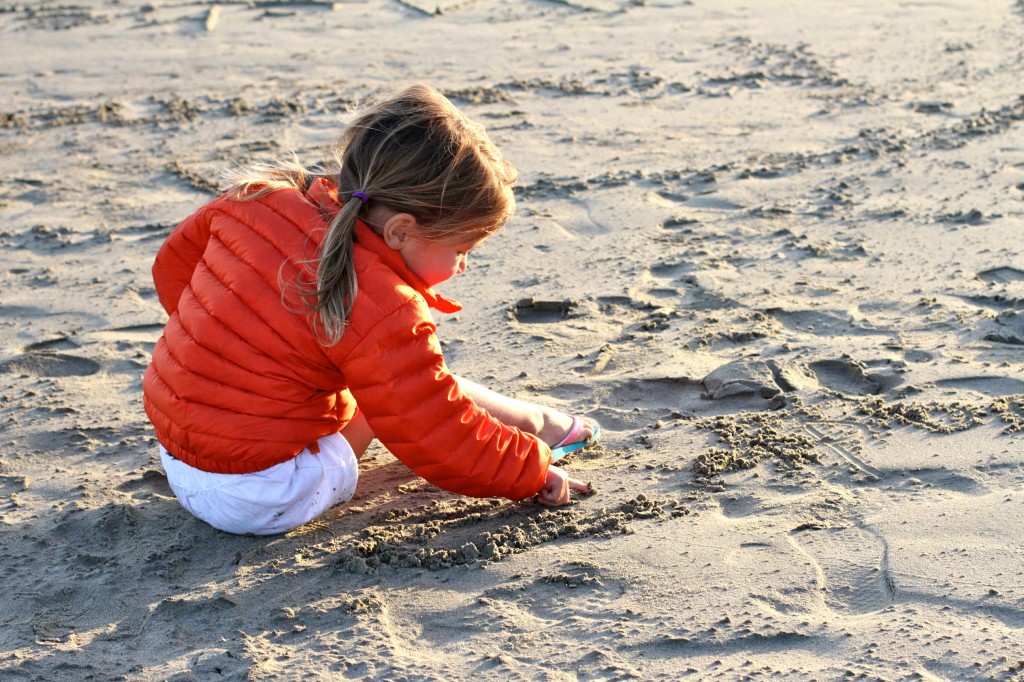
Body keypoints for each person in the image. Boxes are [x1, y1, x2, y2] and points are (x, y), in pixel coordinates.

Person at [143, 84, 599, 536]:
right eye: (462, 248)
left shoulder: (257, 199)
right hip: (263, 496)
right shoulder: (381, 304)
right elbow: (433, 431)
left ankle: (543, 424)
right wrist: (531, 475)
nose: (463, 266)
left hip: (176, 453)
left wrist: (229, 342)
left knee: (381, 376)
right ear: (400, 230)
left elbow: (175, 269)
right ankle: (540, 430)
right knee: (396, 391)